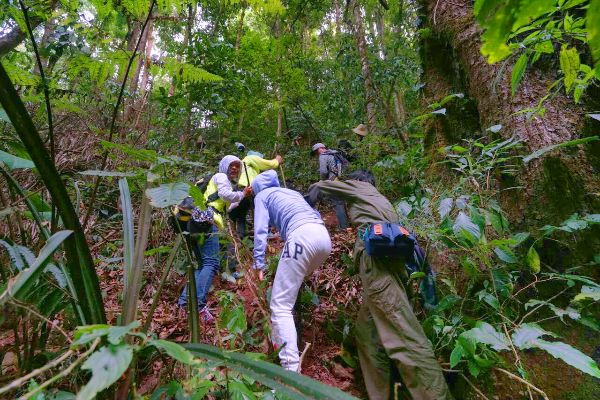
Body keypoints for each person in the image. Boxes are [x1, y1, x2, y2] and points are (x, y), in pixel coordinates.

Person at [306, 170, 453, 400]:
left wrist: (306, 201)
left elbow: (321, 186)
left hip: (377, 267)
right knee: (367, 334)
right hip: (392, 266)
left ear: (358, 181)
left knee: (405, 337)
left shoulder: (359, 187)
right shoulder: (379, 199)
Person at [252, 170, 331, 373]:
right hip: (323, 238)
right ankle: (290, 337)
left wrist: (258, 263)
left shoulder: (262, 196)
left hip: (301, 237)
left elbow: (260, 230)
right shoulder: (291, 193)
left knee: (280, 306)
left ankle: (291, 372)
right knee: (290, 292)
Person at [178, 155, 252, 322]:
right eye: (231, 165)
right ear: (224, 166)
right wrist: (242, 192)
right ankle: (198, 307)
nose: (235, 168)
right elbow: (226, 195)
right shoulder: (220, 177)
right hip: (207, 222)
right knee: (211, 264)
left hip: (196, 222)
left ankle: (184, 303)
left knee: (202, 265)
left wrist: (242, 196)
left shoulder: (218, 182)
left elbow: (226, 205)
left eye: (237, 166)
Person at [311, 143, 349, 229]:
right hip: (343, 180)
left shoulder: (323, 156)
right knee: (341, 202)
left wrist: (323, 181)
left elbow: (323, 171)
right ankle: (346, 225)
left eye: (316, 152)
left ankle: (343, 227)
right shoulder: (335, 153)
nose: (317, 154)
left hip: (333, 181)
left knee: (338, 203)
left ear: (319, 149)